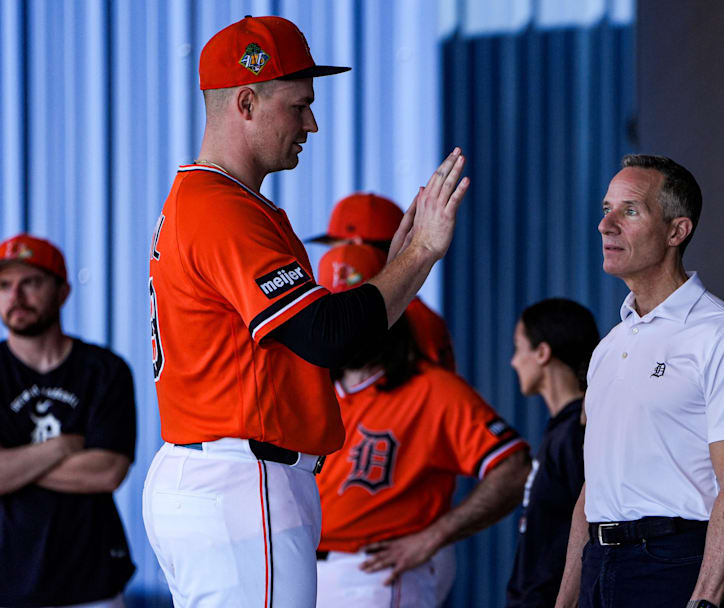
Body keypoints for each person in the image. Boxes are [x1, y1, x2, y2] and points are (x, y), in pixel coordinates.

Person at [142, 15, 469, 608]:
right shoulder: (220, 207)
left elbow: (327, 332)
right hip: (242, 478)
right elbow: (325, 337)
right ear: (246, 102)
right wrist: (422, 252)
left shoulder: (218, 202)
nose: (311, 123)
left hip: (223, 476)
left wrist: (399, 271)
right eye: (298, 105)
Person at [555, 155, 724, 608]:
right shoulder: (608, 347)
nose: (605, 225)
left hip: (674, 564)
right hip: (601, 561)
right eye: (605, 208)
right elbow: (592, 491)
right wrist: (565, 600)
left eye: (629, 210)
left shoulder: (723, 335)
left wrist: (706, 601)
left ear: (677, 232)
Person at [313, 243, 531, 607]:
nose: (345, 324)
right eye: (336, 310)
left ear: (388, 307)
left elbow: (514, 467)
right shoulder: (312, 389)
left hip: (374, 575)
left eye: (355, 309)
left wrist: (432, 538)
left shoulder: (431, 389)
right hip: (305, 570)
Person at [0, 234, 136, 608]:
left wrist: (16, 464)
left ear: (62, 292)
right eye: (5, 285)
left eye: (31, 282)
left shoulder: (105, 371)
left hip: (92, 583)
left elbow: (107, 472)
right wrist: (62, 446)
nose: (16, 297)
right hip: (8, 583)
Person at [506, 298, 600, 607]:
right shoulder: (560, 430)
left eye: (519, 348)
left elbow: (593, 529)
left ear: (543, 352)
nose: (514, 362)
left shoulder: (577, 433)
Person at [309, 192, 456, 371]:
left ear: (355, 244)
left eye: (336, 243)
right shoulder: (422, 314)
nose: (334, 254)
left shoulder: (408, 318)